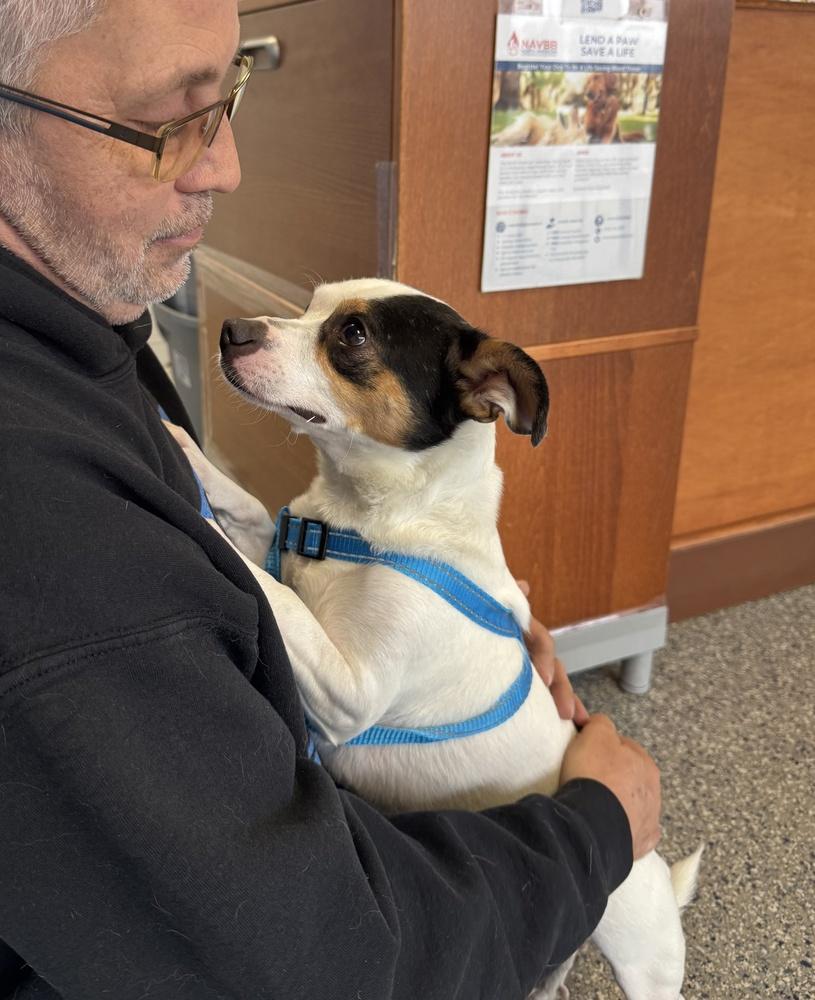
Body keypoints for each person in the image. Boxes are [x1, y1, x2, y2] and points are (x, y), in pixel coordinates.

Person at [0, 2, 662, 997]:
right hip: (465, 867)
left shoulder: (84, 337)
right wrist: (597, 823)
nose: (224, 166)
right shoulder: (53, 531)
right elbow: (333, 957)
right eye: (167, 116)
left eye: (224, 100)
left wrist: (502, 625)